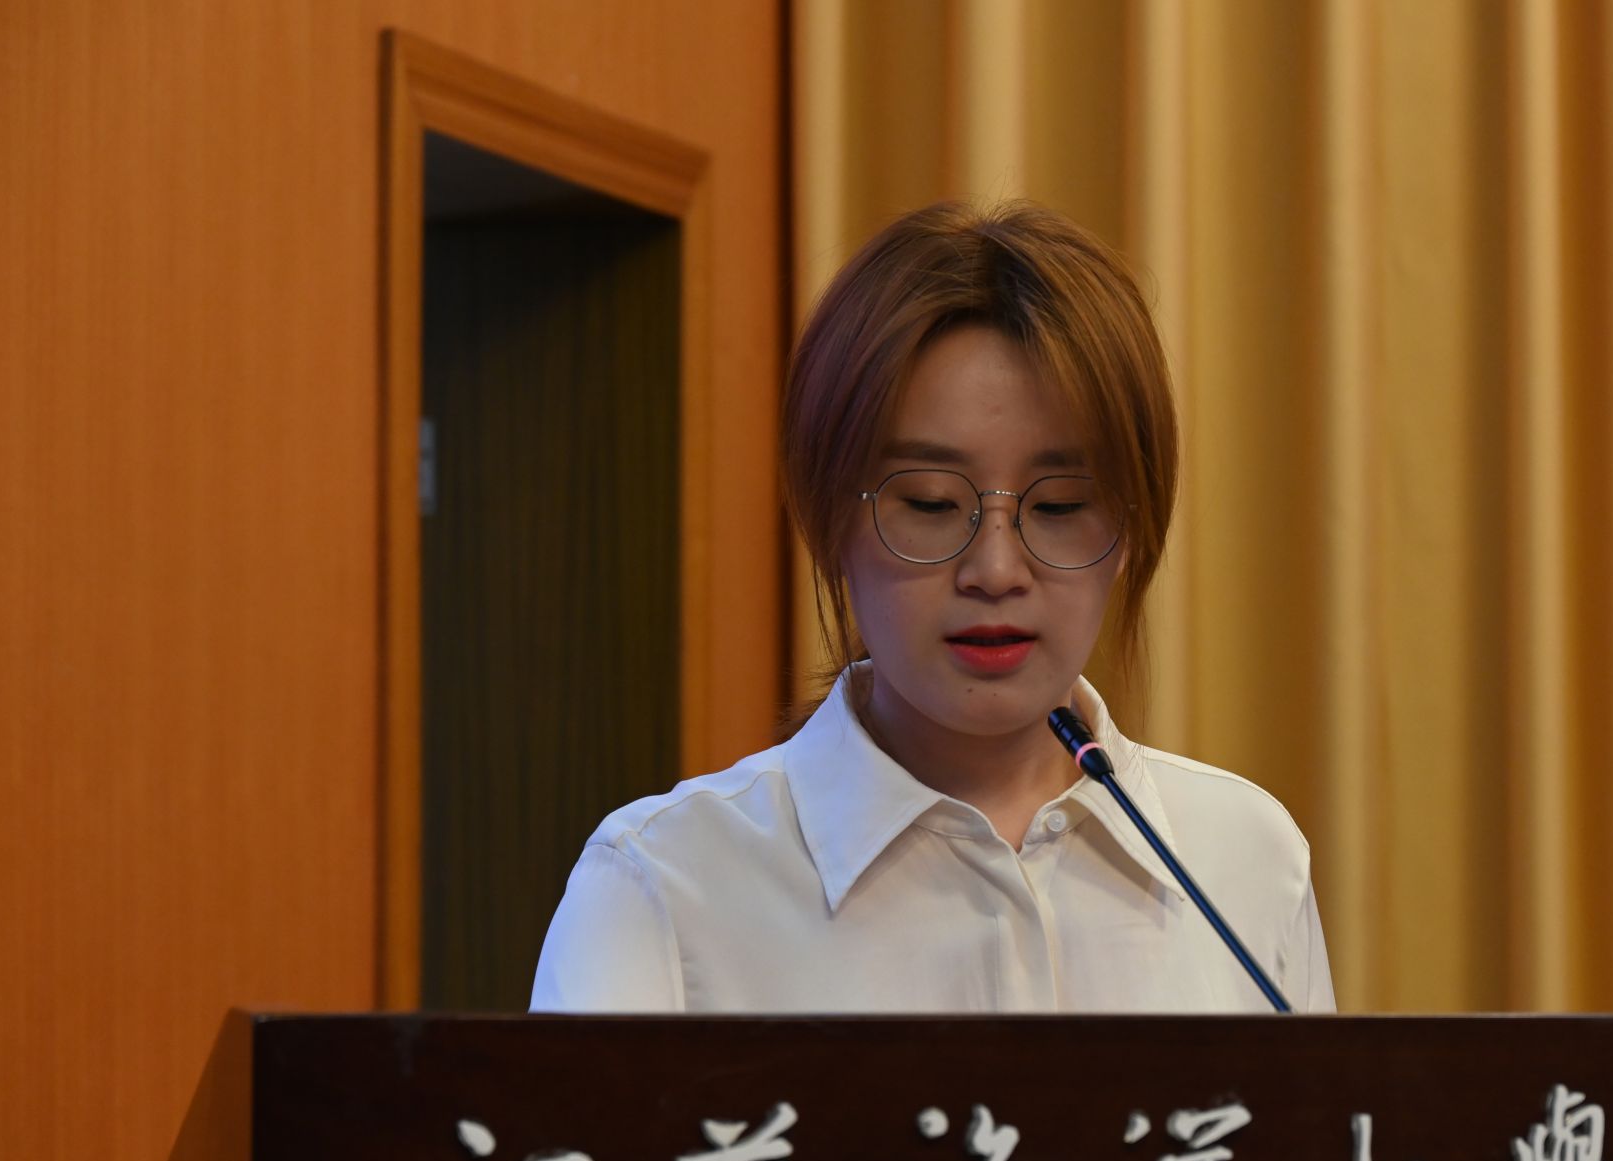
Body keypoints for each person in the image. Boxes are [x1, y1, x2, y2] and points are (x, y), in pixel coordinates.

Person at [530, 200, 1334, 1013]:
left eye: (1059, 506)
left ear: (1132, 528)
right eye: (929, 503)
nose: (995, 570)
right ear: (827, 518)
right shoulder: (661, 890)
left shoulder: (1244, 862)